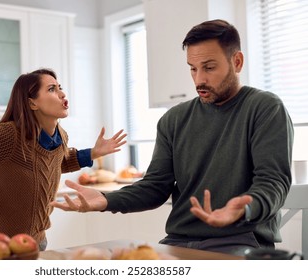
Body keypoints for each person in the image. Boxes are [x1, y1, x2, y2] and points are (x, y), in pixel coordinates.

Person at [50, 19, 294, 256]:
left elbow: (273, 182)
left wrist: (245, 207)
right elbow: (155, 187)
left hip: (240, 242)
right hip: (179, 243)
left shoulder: (264, 108)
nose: (199, 79)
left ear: (237, 62)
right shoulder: (174, 119)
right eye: (193, 68)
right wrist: (106, 199)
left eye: (209, 67)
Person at [0, 68, 126, 255]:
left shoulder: (60, 136)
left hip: (36, 242)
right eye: (52, 89)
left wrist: (93, 152)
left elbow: (56, 162)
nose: (62, 93)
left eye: (60, 87)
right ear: (32, 103)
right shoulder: (9, 136)